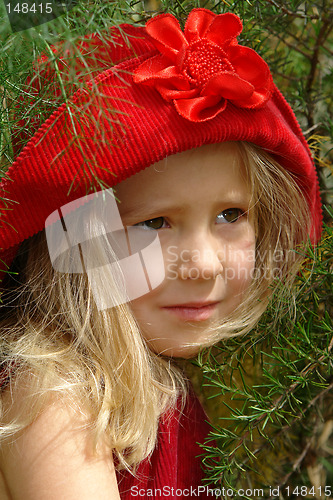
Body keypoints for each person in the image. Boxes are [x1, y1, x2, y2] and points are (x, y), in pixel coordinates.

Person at [0, 8, 322, 500]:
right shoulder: (57, 397)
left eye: (231, 215)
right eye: (153, 223)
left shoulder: (177, 373)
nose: (203, 265)